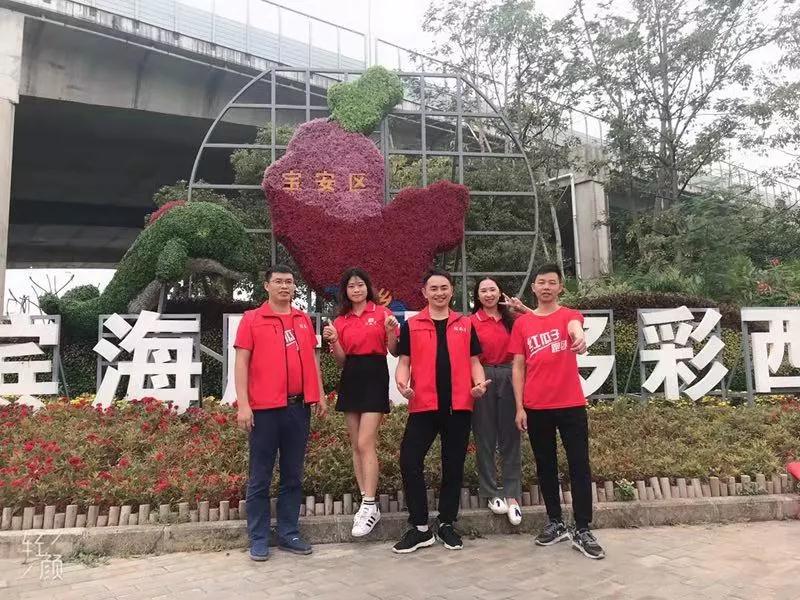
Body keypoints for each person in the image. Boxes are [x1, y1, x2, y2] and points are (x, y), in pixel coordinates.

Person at [510, 263, 605, 560]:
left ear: (560, 287)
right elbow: (518, 367)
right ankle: (555, 522)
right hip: (536, 406)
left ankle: (583, 528)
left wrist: (579, 338)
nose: (547, 287)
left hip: (571, 405)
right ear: (534, 287)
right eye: (542, 282)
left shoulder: (569, 316)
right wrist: (519, 407)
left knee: (579, 465)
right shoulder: (522, 324)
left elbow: (575, 329)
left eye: (552, 282)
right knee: (545, 465)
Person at [392, 268, 490, 554]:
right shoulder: (412, 325)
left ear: (451, 290)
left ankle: (447, 523)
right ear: (424, 292)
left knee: (453, 465)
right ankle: (421, 528)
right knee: (409, 460)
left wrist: (479, 384)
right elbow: (404, 362)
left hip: (459, 405)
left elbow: (474, 361)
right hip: (423, 405)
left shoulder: (465, 323)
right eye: (433, 288)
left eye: (444, 287)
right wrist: (402, 384)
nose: (439, 293)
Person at [235, 264, 327, 562]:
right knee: (260, 476)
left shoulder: (302, 319)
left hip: (298, 408)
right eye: (278, 281)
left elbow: (312, 359)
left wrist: (319, 394)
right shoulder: (252, 319)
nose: (284, 286)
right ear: (267, 286)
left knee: (293, 474)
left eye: (289, 282)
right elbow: (241, 363)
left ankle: (289, 533)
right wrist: (243, 404)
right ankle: (259, 538)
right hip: (264, 410)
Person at [322, 267, 399, 537]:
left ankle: (369, 504)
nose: (356, 290)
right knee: (356, 445)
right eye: (351, 286)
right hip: (351, 377)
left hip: (375, 375)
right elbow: (341, 361)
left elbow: (393, 350)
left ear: (368, 288)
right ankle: (367, 500)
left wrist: (391, 332)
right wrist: (334, 341)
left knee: (366, 442)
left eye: (360, 285)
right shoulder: (340, 320)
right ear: (345, 291)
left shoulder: (382, 313)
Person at [470, 278, 524, 526]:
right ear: (477, 295)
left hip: (510, 375)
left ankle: (512, 494)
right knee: (485, 436)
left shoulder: (513, 320)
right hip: (482, 377)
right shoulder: (471, 322)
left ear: (500, 292)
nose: (489, 294)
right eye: (483, 290)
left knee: (511, 436)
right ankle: (491, 492)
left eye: (493, 289)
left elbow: (539, 323)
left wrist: (521, 309)